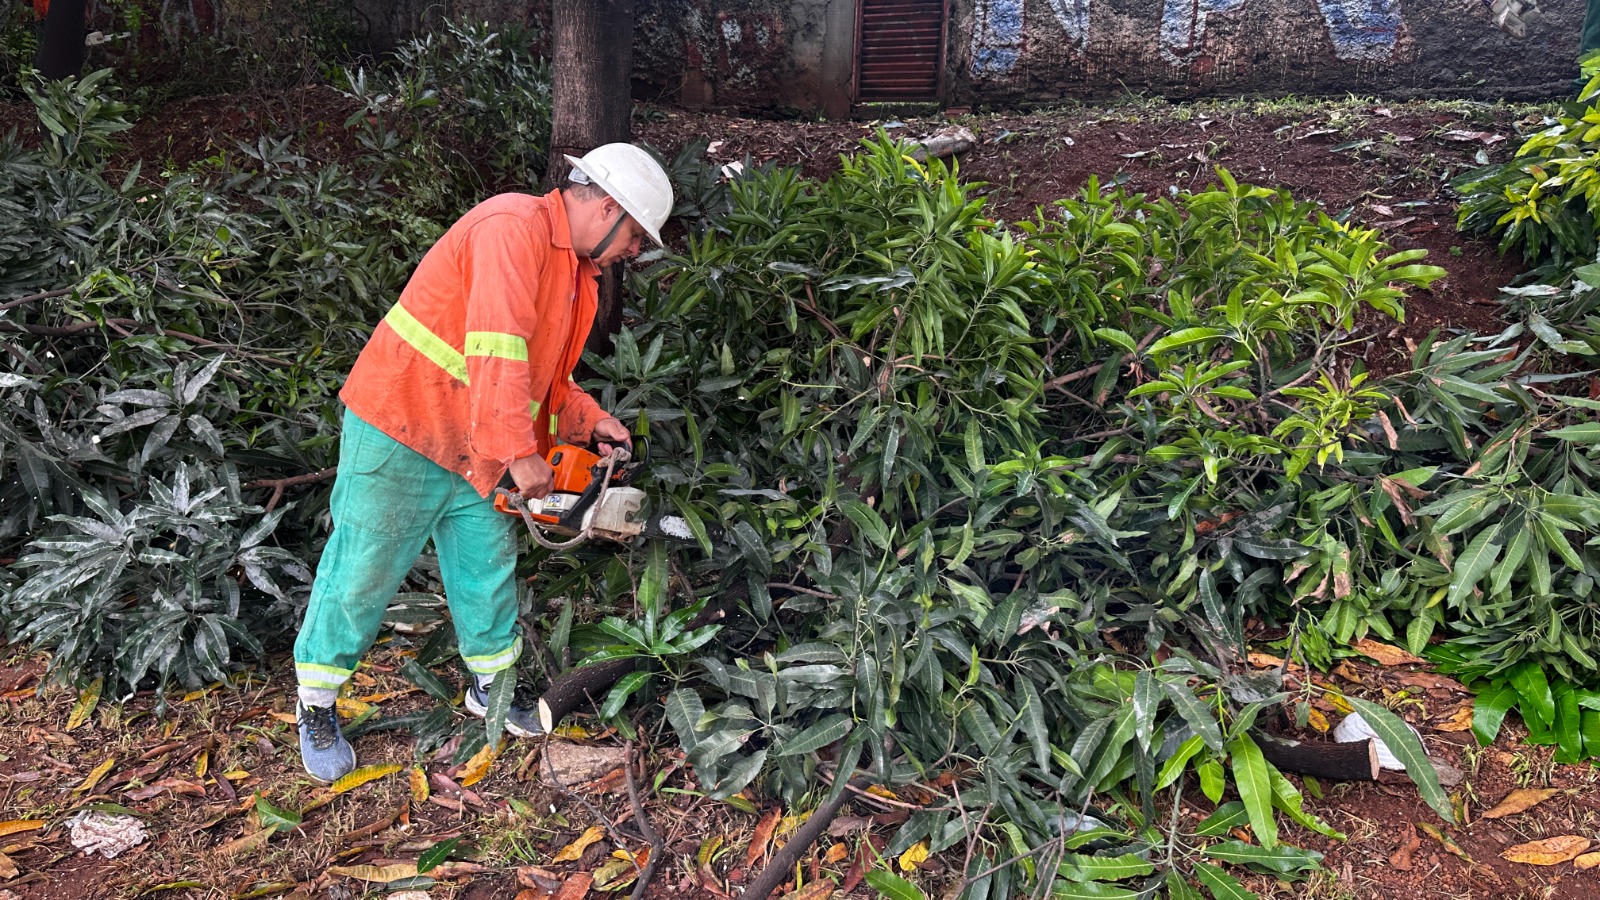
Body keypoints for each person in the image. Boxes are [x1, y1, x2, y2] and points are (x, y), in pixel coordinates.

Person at [292, 143, 673, 782]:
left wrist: (589, 419)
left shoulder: (574, 272)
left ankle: (490, 693)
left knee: (485, 568)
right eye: (636, 234)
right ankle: (318, 702)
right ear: (607, 206)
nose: (635, 249)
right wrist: (521, 454)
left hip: (477, 439)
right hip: (403, 424)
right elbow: (494, 350)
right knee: (363, 567)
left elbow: (539, 375)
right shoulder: (512, 228)